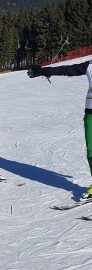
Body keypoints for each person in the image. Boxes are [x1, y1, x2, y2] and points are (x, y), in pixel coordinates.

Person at [28, 60, 92, 198]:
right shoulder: (90, 65)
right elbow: (69, 70)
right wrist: (46, 71)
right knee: (91, 152)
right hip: (90, 114)